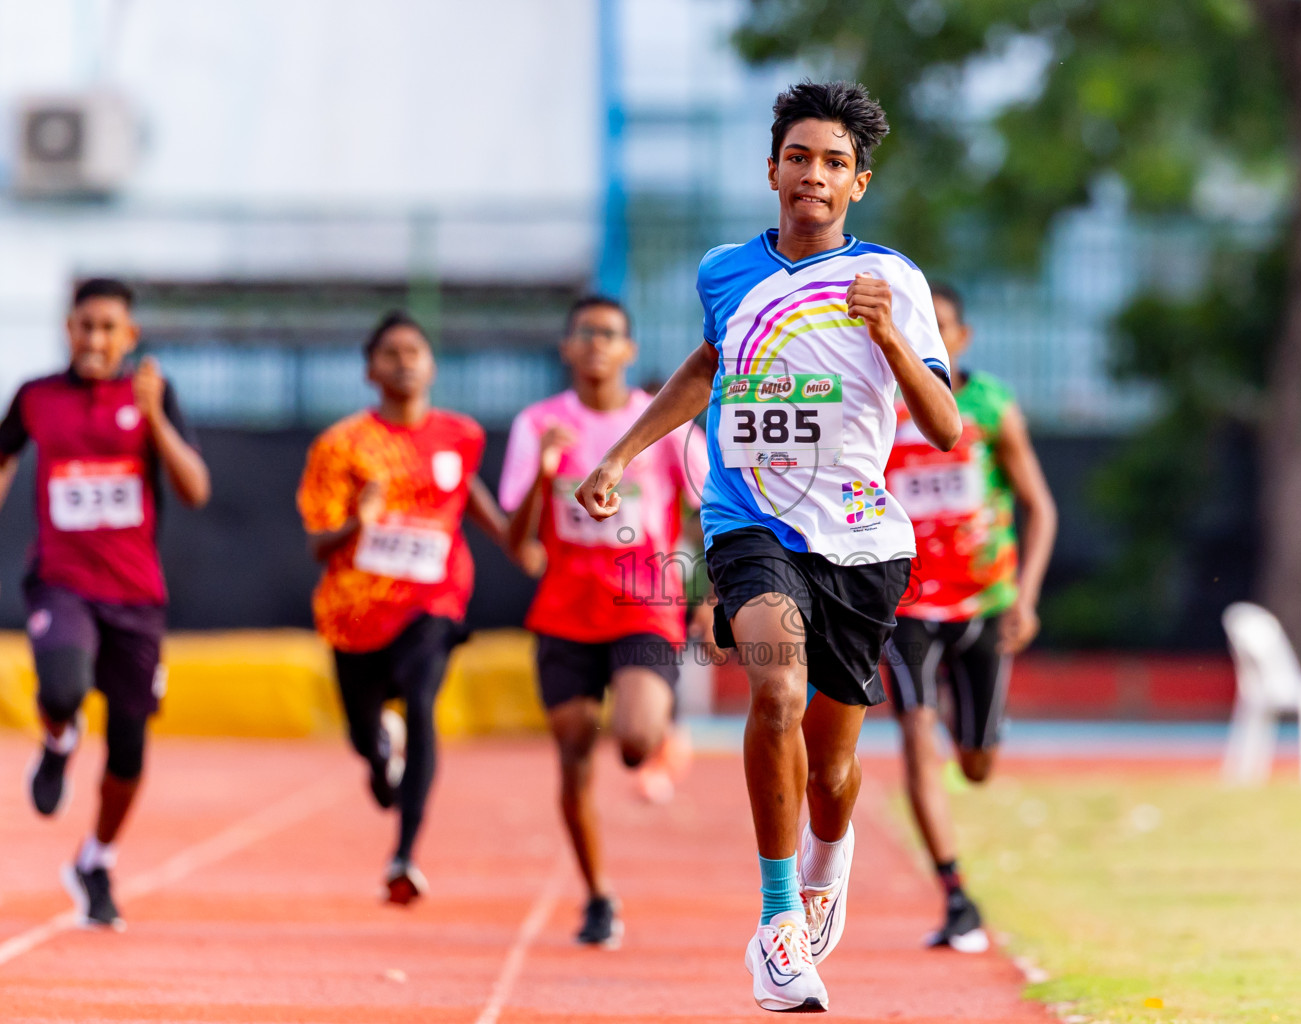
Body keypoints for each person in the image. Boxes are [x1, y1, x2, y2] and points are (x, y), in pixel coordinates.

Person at [575, 81, 962, 1012]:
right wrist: (623, 450)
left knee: (832, 771)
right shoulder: (723, 271)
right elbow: (708, 366)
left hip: (864, 542)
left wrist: (890, 338)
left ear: (858, 183)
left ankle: (829, 857)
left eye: (835, 163)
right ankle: (778, 925)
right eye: (800, 158)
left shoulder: (895, 281)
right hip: (749, 522)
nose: (814, 176)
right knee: (775, 686)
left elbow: (945, 428)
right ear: (773, 168)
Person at [0, 277, 210, 929]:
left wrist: (151, 417)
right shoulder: (36, 397)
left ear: (130, 335)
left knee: (128, 751)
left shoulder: (154, 395)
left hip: (136, 594)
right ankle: (59, 739)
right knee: (62, 686)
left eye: (107, 327)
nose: (94, 338)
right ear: (68, 329)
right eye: (84, 325)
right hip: (61, 579)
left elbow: (196, 489)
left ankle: (96, 859)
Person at [500, 295, 710, 949]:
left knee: (633, 741)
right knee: (572, 758)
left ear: (630, 351)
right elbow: (516, 534)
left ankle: (663, 735)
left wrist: (707, 592)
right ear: (566, 348)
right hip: (565, 609)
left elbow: (710, 507)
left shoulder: (666, 422)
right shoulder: (537, 423)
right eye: (584, 333)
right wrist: (542, 472)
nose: (596, 343)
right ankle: (596, 896)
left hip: (642, 603)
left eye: (609, 334)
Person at [296, 311, 507, 905]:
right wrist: (353, 526)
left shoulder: (460, 435)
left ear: (431, 364)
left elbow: (470, 498)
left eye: (414, 350)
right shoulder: (341, 446)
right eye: (390, 353)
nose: (404, 361)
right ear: (370, 371)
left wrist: (523, 539)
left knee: (421, 700)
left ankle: (405, 854)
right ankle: (378, 748)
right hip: (354, 613)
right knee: (366, 744)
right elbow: (317, 544)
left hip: (432, 600)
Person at [883, 283, 1057, 952]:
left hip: (986, 600)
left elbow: (1040, 506)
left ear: (961, 338)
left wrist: (1027, 596)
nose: (927, 336)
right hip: (907, 603)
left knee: (977, 763)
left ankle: (967, 722)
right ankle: (955, 892)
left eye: (939, 326)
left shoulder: (990, 406)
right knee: (915, 734)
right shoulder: (878, 405)